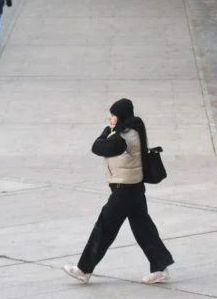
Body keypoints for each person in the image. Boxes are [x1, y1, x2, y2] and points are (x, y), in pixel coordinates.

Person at [63, 98, 174, 285]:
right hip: (134, 188)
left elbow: (97, 147)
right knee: (144, 229)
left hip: (124, 191)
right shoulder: (134, 129)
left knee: (104, 229)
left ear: (121, 116)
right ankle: (160, 268)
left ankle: (83, 270)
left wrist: (105, 132)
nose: (110, 117)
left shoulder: (122, 139)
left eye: (113, 115)